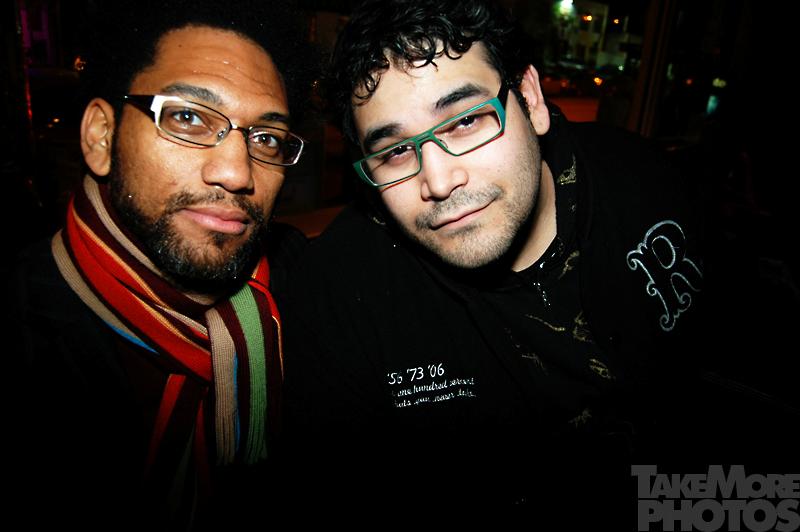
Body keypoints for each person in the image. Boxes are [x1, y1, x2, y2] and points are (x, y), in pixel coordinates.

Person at [281, 0, 797, 521]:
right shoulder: (340, 296)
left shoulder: (645, 184)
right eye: (394, 152)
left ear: (530, 99)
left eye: (466, 120)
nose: (438, 181)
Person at [5, 0, 311, 528]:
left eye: (265, 138)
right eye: (188, 117)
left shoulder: (304, 291)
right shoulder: (23, 333)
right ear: (101, 137)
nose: (237, 173)